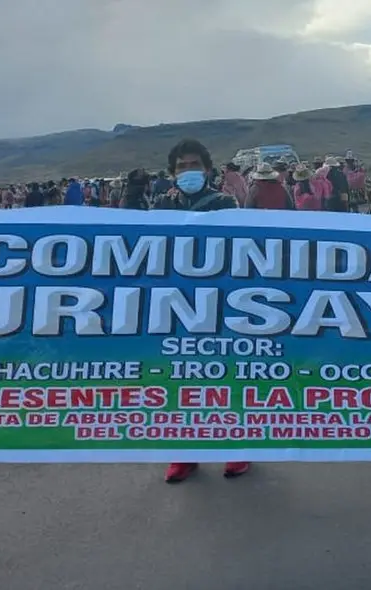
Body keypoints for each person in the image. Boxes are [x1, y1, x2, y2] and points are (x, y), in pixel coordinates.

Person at [152, 139, 248, 482]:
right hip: (174, 303)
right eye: (181, 166)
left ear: (208, 169)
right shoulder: (161, 204)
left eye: (194, 165)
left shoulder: (224, 203)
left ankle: (235, 448)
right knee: (179, 380)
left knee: (225, 377)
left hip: (218, 300)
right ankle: (184, 453)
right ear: (171, 172)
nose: (188, 172)